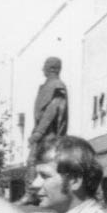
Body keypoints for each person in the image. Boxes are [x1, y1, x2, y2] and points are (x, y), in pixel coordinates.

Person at [24, 57, 69, 197]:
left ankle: (35, 194)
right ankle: (32, 194)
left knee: (43, 162)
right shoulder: (47, 86)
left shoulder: (57, 85)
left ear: (51, 68)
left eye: (44, 66)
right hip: (43, 132)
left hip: (49, 134)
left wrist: (39, 132)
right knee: (34, 161)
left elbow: (52, 110)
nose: (42, 69)